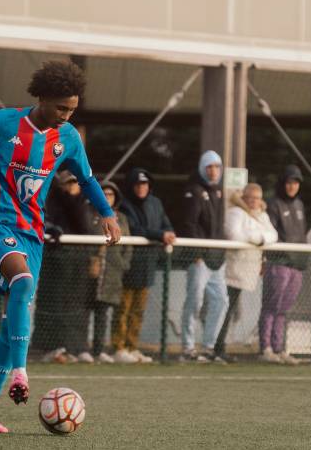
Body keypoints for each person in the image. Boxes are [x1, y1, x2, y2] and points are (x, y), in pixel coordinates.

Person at [0, 59, 121, 433]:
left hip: (32, 233)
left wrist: (106, 213)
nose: (66, 116)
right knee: (22, 284)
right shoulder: (5, 123)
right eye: (61, 107)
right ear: (41, 97)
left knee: (12, 322)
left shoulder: (68, 137)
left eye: (72, 109)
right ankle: (21, 373)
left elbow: (87, 179)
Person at [114, 167, 174, 364]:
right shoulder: (124, 205)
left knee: (139, 310)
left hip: (148, 263)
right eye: (138, 184)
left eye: (145, 184)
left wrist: (169, 233)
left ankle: (132, 346)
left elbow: (166, 224)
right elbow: (134, 228)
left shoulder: (156, 203)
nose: (142, 188)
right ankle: (119, 348)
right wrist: (160, 235)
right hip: (129, 263)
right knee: (124, 307)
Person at [32, 169, 92, 362]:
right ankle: (51, 347)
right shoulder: (52, 200)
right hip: (55, 261)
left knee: (76, 306)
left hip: (77, 263)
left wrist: (74, 199)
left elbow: (84, 226)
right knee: (54, 303)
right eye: (69, 182)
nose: (73, 185)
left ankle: (76, 347)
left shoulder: (83, 202)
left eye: (75, 182)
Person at [215, 183, 278, 362]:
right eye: (250, 198)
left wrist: (258, 237)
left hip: (248, 272)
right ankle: (216, 347)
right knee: (224, 309)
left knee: (231, 310)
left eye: (257, 198)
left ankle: (220, 347)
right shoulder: (235, 212)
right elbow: (234, 234)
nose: (254, 202)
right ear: (244, 198)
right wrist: (257, 237)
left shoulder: (262, 216)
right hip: (233, 270)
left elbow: (273, 235)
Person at [177, 150, 230, 364]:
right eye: (209, 167)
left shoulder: (217, 192)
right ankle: (188, 348)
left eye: (217, 166)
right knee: (194, 301)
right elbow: (189, 223)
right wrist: (197, 252)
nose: (214, 171)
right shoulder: (194, 191)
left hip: (216, 260)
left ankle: (208, 347)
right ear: (202, 169)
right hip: (199, 259)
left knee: (221, 301)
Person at [261, 165, 308, 364]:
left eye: (296, 183)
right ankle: (266, 348)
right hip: (279, 262)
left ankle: (279, 348)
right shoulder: (273, 204)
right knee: (272, 305)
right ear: (283, 183)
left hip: (297, 263)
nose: (292, 186)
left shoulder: (299, 205)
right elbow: (270, 233)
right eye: (289, 182)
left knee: (284, 308)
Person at [85, 180, 132, 363]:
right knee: (85, 312)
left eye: (110, 194)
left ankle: (99, 350)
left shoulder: (121, 219)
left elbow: (128, 246)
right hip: (90, 273)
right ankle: (82, 349)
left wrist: (123, 263)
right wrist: (93, 260)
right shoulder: (91, 216)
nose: (107, 197)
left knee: (104, 313)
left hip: (112, 275)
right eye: (103, 194)